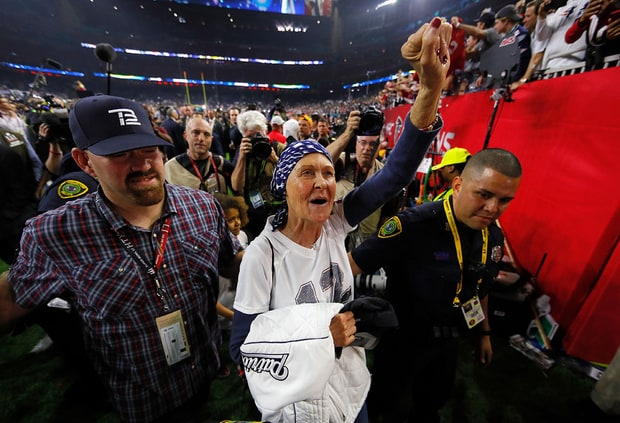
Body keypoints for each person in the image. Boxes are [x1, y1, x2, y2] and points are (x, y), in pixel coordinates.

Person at [229, 17, 452, 423]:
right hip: (298, 402)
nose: (322, 182)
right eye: (307, 173)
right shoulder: (263, 255)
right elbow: (243, 347)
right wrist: (320, 341)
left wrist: (430, 87)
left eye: (328, 173)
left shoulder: (336, 222)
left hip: (347, 383)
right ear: (284, 187)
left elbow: (396, 173)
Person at [0, 94, 244, 423]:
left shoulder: (201, 206)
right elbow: (11, 296)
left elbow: (231, 261)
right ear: (85, 161)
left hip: (204, 372)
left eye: (149, 149)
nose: (142, 164)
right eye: (120, 154)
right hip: (139, 397)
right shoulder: (56, 233)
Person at [348, 148, 523, 423]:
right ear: (458, 184)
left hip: (449, 343)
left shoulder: (494, 236)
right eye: (484, 194)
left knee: (431, 405)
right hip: (402, 341)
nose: (493, 208)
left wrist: (483, 333)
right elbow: (350, 265)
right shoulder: (413, 225)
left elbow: (480, 289)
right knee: (380, 402)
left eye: (504, 200)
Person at [233, 109, 287, 239]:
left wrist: (275, 160)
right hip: (252, 214)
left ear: (266, 132)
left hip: (278, 212)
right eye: (250, 137)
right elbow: (236, 186)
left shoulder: (279, 148)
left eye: (259, 135)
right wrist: (241, 158)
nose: (256, 139)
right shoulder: (244, 152)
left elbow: (293, 177)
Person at [164, 115, 243, 195]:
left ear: (211, 139)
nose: (201, 138)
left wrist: (242, 157)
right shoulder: (171, 168)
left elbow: (237, 189)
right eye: (196, 133)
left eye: (206, 134)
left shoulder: (221, 164)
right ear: (186, 136)